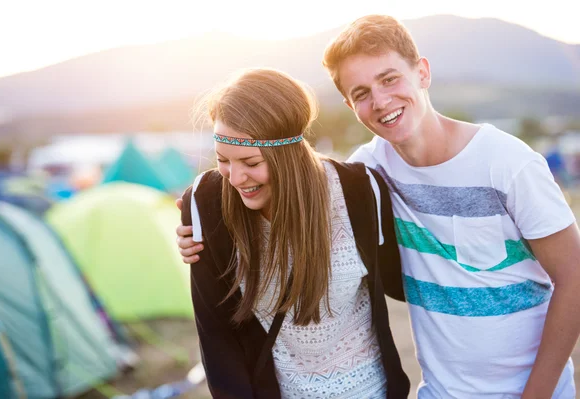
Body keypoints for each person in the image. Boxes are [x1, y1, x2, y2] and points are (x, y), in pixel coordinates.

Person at [178, 15, 580, 398]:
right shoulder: (370, 172)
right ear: (350, 105)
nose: (382, 101)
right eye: (361, 94)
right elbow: (309, 181)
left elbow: (574, 277)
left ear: (422, 72)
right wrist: (199, 229)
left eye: (389, 79)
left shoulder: (507, 163)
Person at [181, 67, 410, 398]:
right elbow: (215, 336)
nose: (235, 178)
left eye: (250, 162)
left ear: (287, 155)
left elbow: (402, 283)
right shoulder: (206, 203)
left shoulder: (360, 190)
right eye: (223, 160)